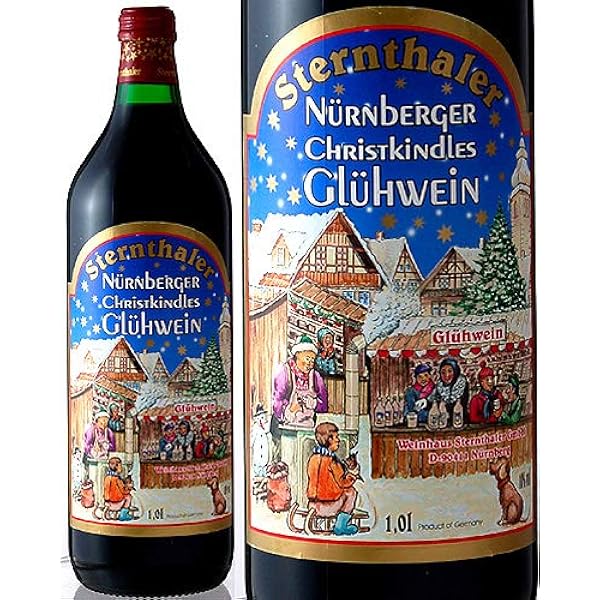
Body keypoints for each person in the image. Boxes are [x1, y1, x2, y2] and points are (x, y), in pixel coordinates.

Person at [306, 422, 360, 536]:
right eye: (336, 437)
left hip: (312, 505)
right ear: (329, 440)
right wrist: (353, 473)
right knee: (351, 492)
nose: (338, 440)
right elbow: (343, 483)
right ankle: (341, 525)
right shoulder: (332, 462)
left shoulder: (313, 459)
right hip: (329, 506)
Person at [272, 334, 329, 428]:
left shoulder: (315, 376)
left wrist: (314, 403)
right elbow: (277, 403)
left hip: (309, 425)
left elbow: (324, 405)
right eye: (307, 358)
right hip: (286, 425)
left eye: (312, 360)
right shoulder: (284, 372)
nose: (310, 363)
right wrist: (290, 409)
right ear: (297, 355)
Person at [103, 457, 134, 521]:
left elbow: (106, 489)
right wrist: (129, 489)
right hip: (117, 502)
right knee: (128, 497)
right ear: (117, 467)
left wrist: (107, 500)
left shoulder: (107, 478)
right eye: (120, 466)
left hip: (108, 502)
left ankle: (109, 512)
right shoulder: (117, 479)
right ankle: (123, 514)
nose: (121, 468)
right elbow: (123, 491)